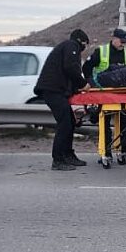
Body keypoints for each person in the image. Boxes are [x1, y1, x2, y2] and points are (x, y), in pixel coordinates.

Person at [33, 29, 90, 171]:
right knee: (64, 123)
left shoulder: (66, 47)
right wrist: (83, 84)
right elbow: (70, 68)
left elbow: (66, 74)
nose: (84, 48)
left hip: (56, 90)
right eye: (85, 44)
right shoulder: (71, 46)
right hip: (52, 91)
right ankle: (58, 159)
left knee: (70, 122)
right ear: (81, 41)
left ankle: (68, 155)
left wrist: (76, 89)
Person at [82, 28, 126, 167]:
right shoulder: (102, 51)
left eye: (125, 42)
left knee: (124, 123)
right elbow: (86, 68)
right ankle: (106, 153)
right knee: (104, 123)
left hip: (122, 94)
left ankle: (123, 151)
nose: (123, 44)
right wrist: (92, 84)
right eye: (121, 41)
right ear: (114, 38)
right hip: (103, 93)